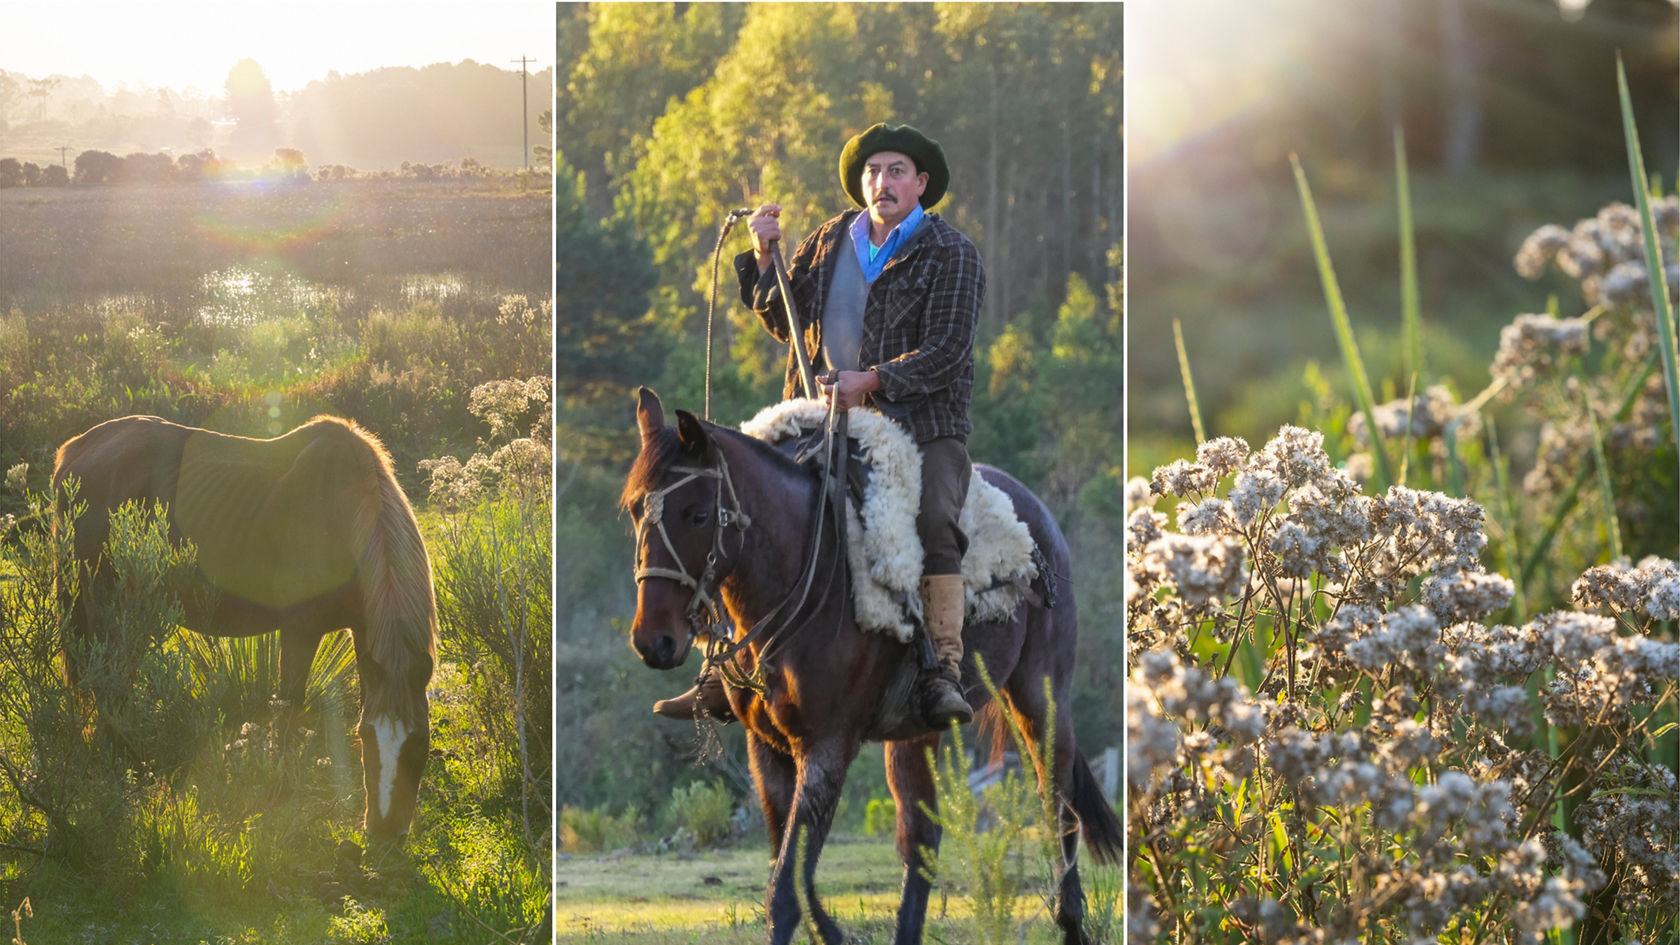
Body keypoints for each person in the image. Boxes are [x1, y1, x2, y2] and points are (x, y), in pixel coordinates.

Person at [653, 122, 984, 728]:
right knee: (738, 504)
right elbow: (785, 319)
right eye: (872, 172)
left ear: (921, 183)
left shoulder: (952, 253)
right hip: (816, 418)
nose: (881, 183)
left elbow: (949, 350)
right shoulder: (833, 238)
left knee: (936, 516)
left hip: (918, 426)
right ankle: (721, 669)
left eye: (896, 171)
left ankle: (942, 668)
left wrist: (872, 380)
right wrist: (764, 256)